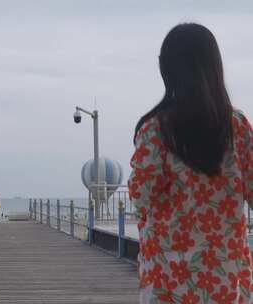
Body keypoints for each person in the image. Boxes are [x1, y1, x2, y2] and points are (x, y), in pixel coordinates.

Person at [128, 23, 252, 303]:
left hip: (167, 278)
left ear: (167, 69)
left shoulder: (155, 129)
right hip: (226, 278)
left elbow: (141, 195)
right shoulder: (238, 127)